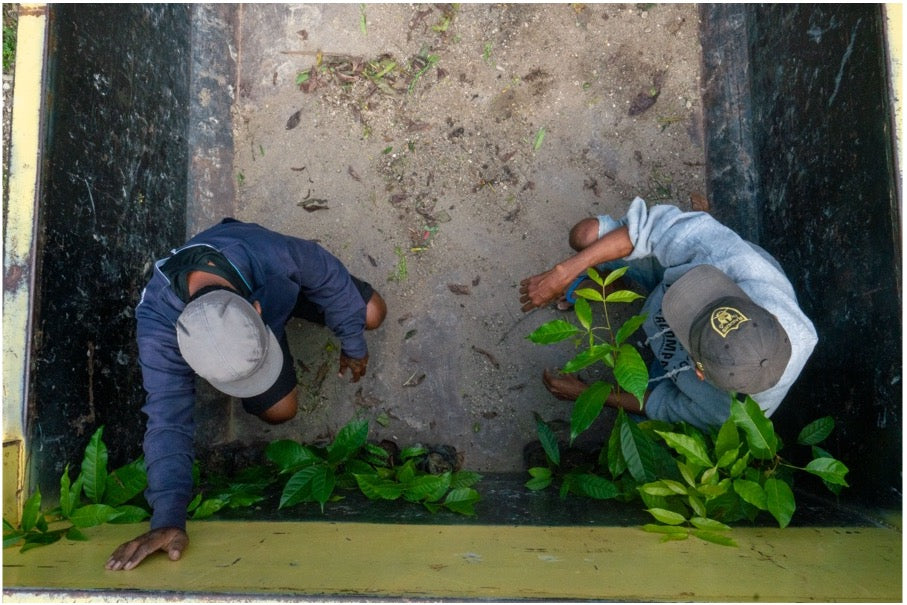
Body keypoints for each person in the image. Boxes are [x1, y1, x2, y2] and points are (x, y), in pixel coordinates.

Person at [105, 218, 387, 571]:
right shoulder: (158, 328)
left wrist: (353, 342)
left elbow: (324, 270)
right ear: (184, 351)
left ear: (257, 311)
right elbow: (166, 422)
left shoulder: (263, 252)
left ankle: (295, 312)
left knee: (373, 313)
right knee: (281, 411)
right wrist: (168, 519)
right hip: (250, 314)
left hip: (277, 287)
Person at [519, 196, 817, 429]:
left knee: (641, 426)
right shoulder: (739, 268)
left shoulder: (727, 411)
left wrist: (589, 394)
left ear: (699, 371)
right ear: (765, 314)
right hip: (674, 274)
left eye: (688, 317)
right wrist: (565, 270)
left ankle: (618, 290)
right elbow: (652, 229)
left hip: (673, 366)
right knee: (586, 235)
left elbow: (664, 406)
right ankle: (617, 285)